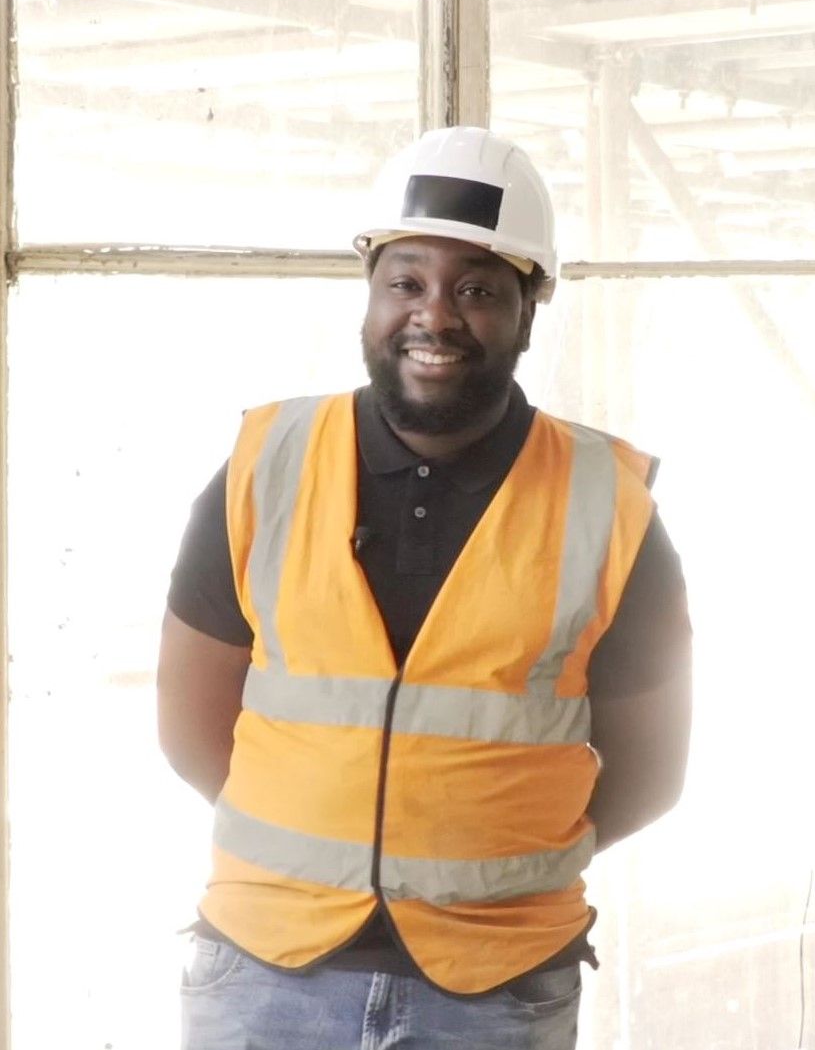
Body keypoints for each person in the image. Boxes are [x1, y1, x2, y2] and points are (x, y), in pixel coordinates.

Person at [157, 126, 693, 1050]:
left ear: (528, 310)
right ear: (370, 296)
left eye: (476, 289)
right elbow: (190, 724)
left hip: (497, 985)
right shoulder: (263, 467)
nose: (433, 316)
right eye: (405, 283)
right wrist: (321, 845)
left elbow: (649, 771)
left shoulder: (609, 505)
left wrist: (487, 862)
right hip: (264, 973)